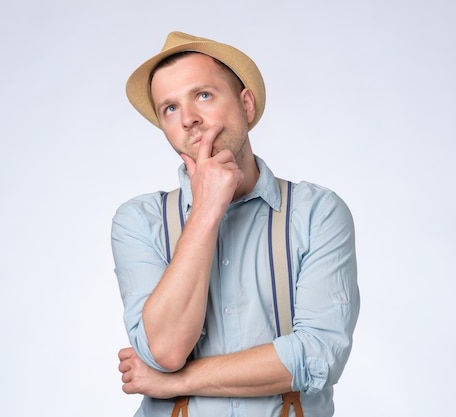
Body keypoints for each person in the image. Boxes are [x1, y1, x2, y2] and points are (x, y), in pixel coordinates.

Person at [112, 31, 359, 417]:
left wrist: (175, 382)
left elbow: (317, 356)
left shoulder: (317, 212)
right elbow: (165, 349)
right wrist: (206, 209)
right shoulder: (139, 221)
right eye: (170, 109)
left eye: (203, 95)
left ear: (246, 104)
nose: (189, 118)